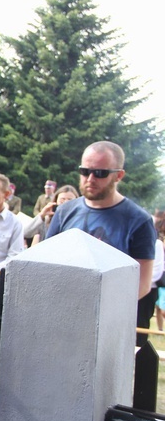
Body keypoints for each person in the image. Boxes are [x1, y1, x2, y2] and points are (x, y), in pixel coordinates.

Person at [46, 141, 157, 341]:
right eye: (85, 171)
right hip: (59, 319)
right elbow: (46, 262)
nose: (90, 179)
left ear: (119, 175)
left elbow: (143, 284)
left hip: (108, 327)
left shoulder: (138, 220)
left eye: (100, 173)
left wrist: (97, 309)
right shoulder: (64, 212)